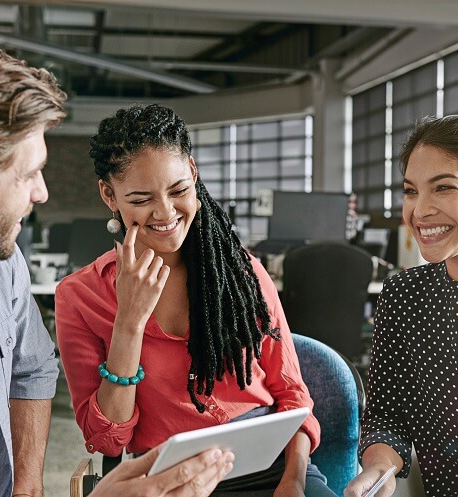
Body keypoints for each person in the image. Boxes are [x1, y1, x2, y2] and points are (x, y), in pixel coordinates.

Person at [0, 41, 232, 497]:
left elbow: (30, 369)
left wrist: (27, 487)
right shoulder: (77, 288)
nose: (42, 194)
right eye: (28, 174)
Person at [54, 104, 336, 497]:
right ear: (109, 194)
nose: (166, 213)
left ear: (193, 170)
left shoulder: (242, 274)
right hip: (170, 480)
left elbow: (292, 394)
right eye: (140, 198)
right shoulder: (81, 295)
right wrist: (129, 322)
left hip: (273, 466)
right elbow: (108, 440)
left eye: (179, 190)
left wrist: (293, 479)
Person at [344, 114, 458, 497]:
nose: (419, 211)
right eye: (411, 191)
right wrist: (379, 469)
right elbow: (387, 414)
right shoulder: (403, 295)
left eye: (443, 188)